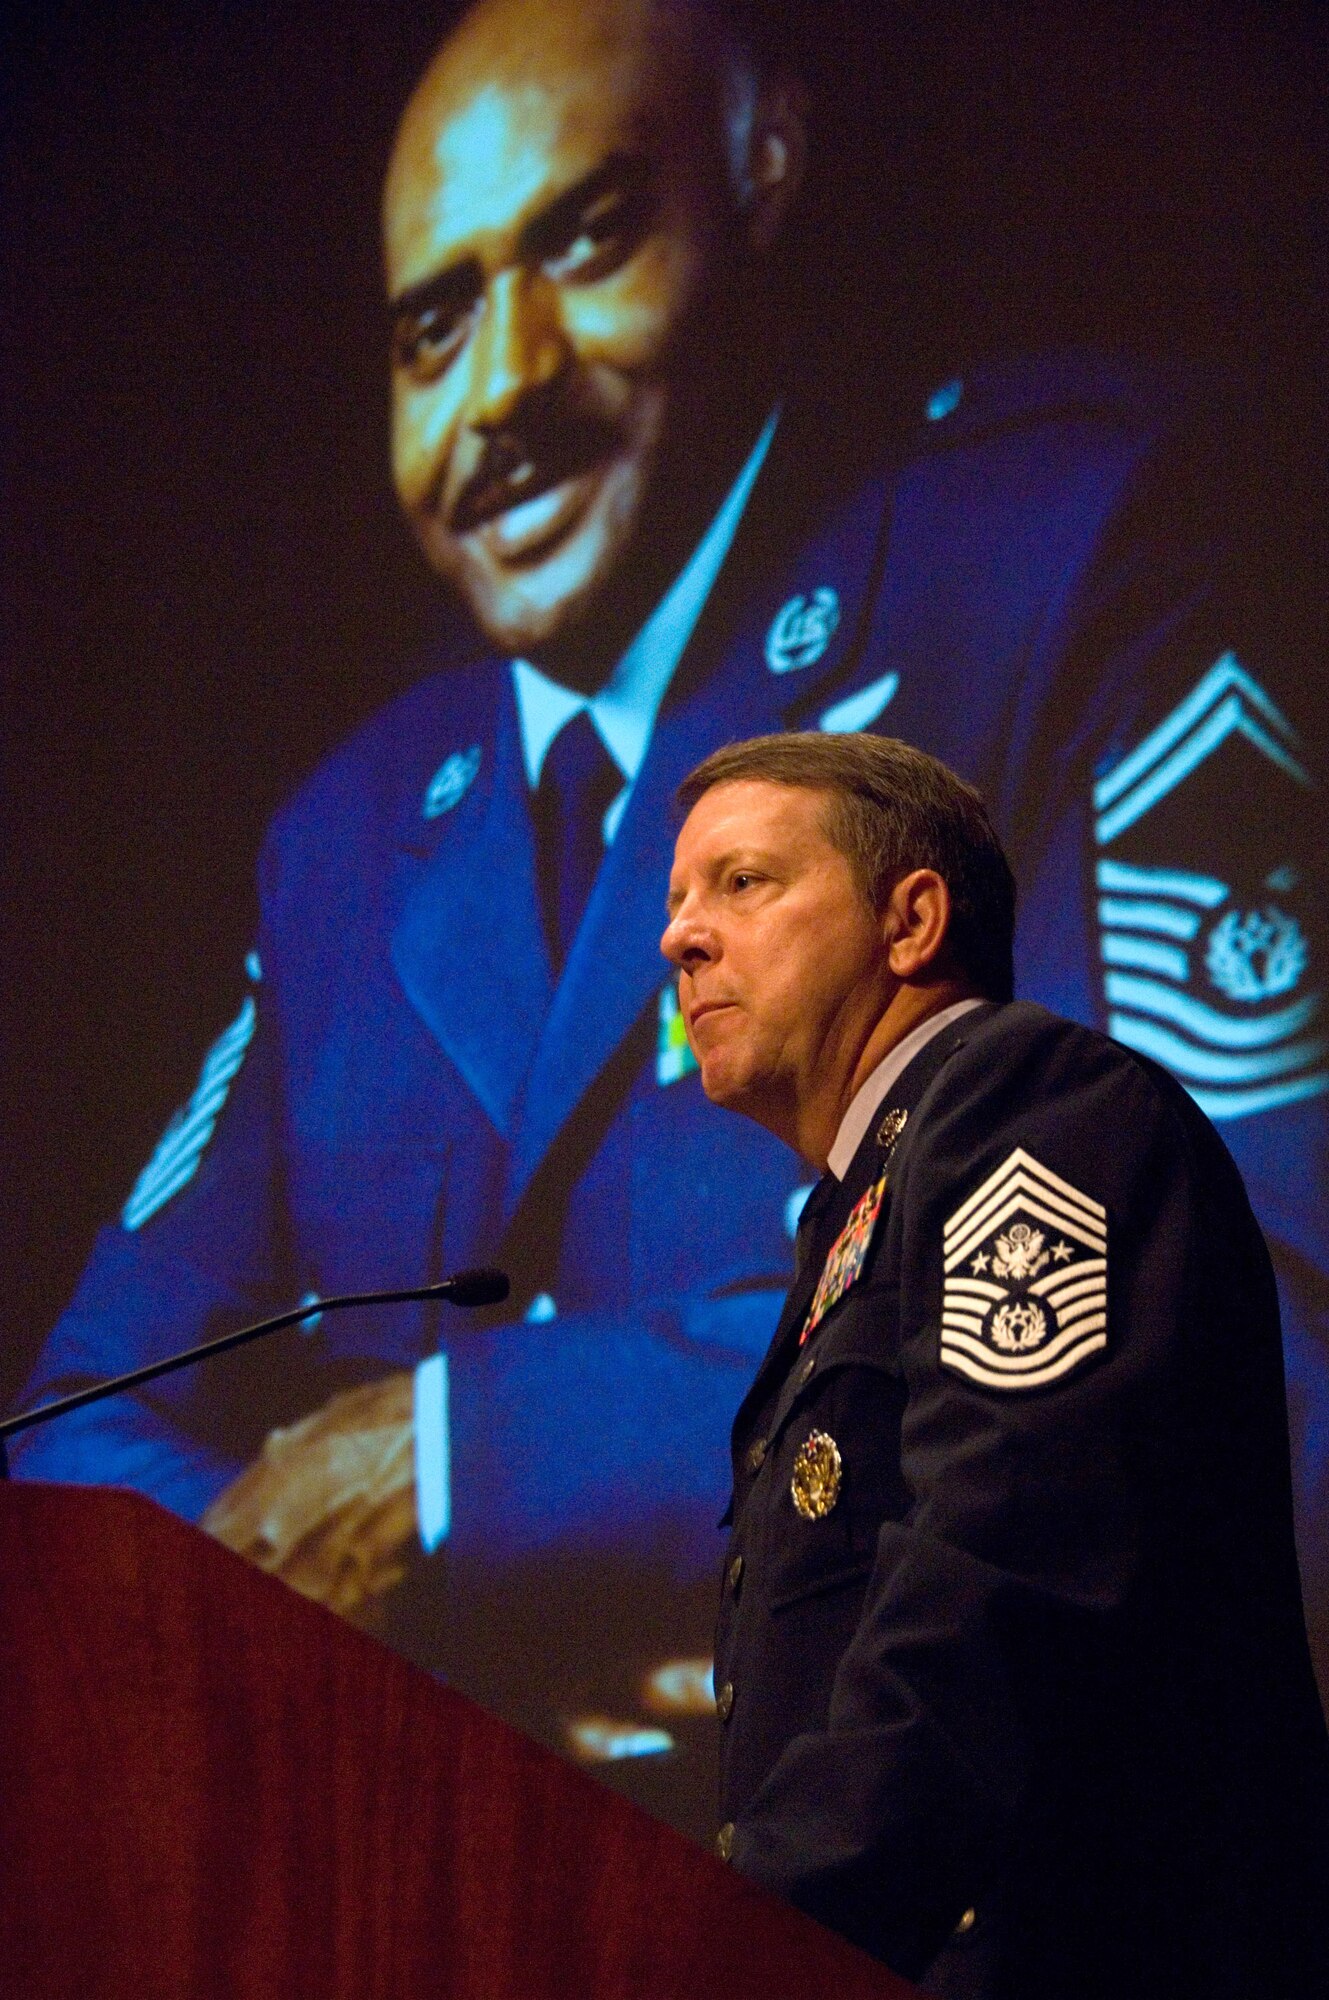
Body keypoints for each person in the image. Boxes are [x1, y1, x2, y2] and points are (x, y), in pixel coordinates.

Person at [11, 0, 1328, 1837]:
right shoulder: (347, 838)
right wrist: (432, 1677)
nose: (502, 386)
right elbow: (81, 1436)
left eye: (583, 241)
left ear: (763, 174)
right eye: (429, 324)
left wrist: (471, 1481)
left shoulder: (1063, 574)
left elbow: (1249, 1357)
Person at [661, 729, 1329, 1997]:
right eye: (680, 900)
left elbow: (1010, 1549)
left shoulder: (1028, 1102)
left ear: (911, 919)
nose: (681, 936)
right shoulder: (864, 1201)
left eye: (741, 883)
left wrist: (755, 1928)